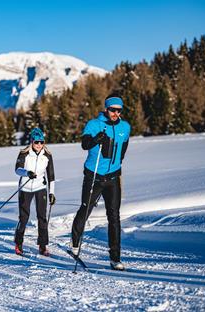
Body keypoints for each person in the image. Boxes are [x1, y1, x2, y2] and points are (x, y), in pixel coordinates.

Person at [70, 94, 131, 270]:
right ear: (106, 109)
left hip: (113, 178)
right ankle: (75, 242)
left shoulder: (125, 127)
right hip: (94, 176)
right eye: (113, 110)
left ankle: (115, 257)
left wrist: (117, 164)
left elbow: (124, 147)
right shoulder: (94, 124)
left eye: (119, 110)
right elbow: (85, 144)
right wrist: (96, 139)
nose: (116, 113)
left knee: (114, 217)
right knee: (85, 209)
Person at [14, 127, 56, 256]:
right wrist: (27, 173)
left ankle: (43, 245)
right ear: (32, 142)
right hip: (25, 188)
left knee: (42, 217)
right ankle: (18, 243)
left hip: (40, 188)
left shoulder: (47, 155)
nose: (39, 145)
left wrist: (51, 193)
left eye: (41, 142)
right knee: (24, 217)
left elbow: (51, 175)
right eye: (36, 142)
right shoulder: (24, 153)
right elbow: (17, 169)